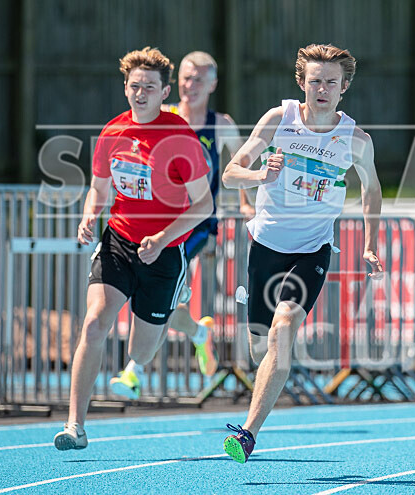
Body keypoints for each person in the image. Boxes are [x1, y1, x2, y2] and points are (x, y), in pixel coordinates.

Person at [219, 43, 383, 464]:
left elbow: (371, 190)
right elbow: (231, 173)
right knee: (259, 346)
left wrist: (368, 243)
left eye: (331, 82)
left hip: (312, 250)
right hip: (266, 244)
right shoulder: (279, 120)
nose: (322, 89)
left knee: (284, 328)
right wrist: (260, 173)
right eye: (315, 81)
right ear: (302, 83)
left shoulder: (355, 139)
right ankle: (255, 324)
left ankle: (248, 433)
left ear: (344, 88)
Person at [54, 47, 212, 450]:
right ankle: (76, 426)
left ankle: (187, 319)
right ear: (125, 87)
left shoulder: (179, 135)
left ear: (164, 92)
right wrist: (90, 215)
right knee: (95, 321)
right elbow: (99, 189)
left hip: (164, 252)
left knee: (140, 352)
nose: (140, 94)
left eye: (149, 88)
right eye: (134, 86)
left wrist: (161, 240)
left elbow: (205, 204)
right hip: (120, 242)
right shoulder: (112, 133)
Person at [110, 51, 253, 397]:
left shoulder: (220, 125)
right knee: (162, 297)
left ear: (213, 84)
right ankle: (198, 333)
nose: (191, 85)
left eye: (200, 79)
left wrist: (247, 203)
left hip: (196, 222)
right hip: (153, 221)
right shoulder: (165, 115)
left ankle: (132, 371)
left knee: (157, 290)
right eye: (187, 77)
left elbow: (242, 163)